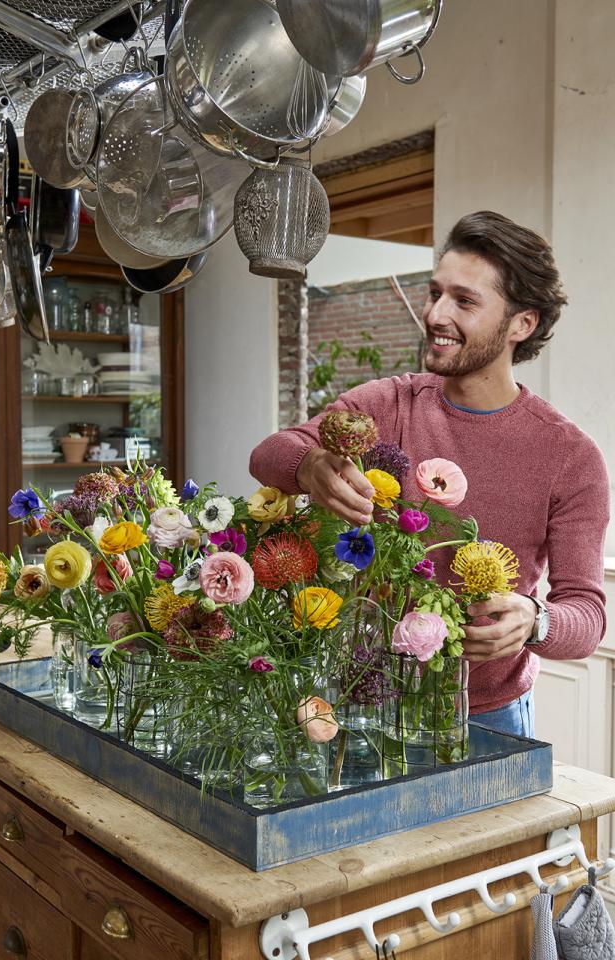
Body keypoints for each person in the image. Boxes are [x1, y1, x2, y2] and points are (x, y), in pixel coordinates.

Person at [249, 210, 610, 738]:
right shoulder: (390, 404)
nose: (436, 314)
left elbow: (586, 615)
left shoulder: (570, 457)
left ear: (522, 323)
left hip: (489, 719)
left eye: (464, 301)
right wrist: (308, 466)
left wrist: (536, 621)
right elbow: (269, 453)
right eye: (434, 293)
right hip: (360, 706)